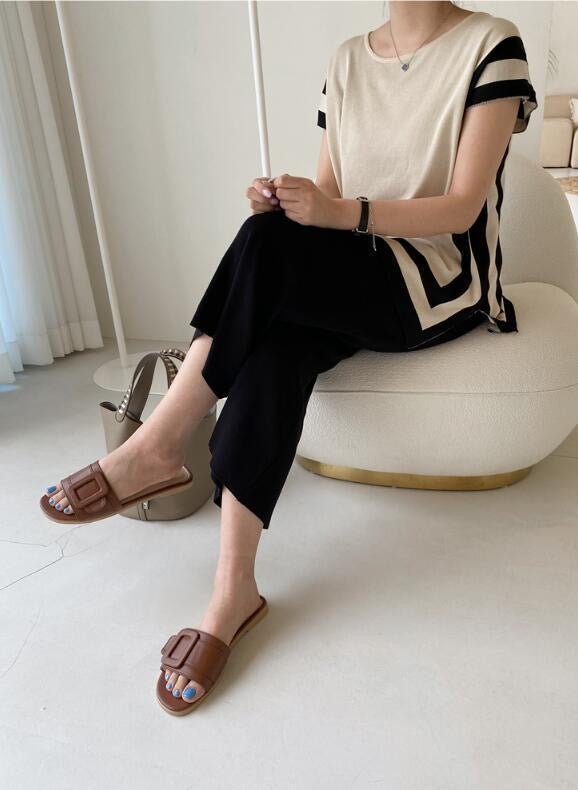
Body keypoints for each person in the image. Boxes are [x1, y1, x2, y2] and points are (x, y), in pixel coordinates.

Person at [39, 1, 538, 714]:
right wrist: (289, 203)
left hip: (438, 282)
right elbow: (327, 195)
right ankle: (232, 590)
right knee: (273, 322)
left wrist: (335, 216)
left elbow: (461, 208)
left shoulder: (492, 43)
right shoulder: (347, 59)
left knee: (264, 248)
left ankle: (158, 443)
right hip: (358, 268)